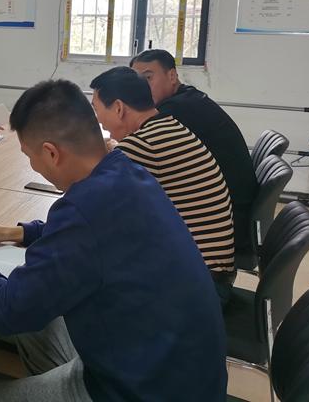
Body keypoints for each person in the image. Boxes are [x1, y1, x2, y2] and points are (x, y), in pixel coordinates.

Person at [0, 79, 227, 402]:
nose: (32, 165)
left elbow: (7, 310)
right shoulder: (126, 171)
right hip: (178, 371)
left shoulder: (84, 209)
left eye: (30, 156)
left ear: (51, 153)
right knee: (40, 322)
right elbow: (91, 236)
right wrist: (12, 232)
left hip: (140, 391)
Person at [90, 66, 236, 304]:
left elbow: (90, 203)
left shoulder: (142, 145)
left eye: (96, 110)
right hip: (210, 274)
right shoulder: (167, 127)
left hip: (198, 288)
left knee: (87, 276)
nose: (97, 120)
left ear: (118, 108)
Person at [131, 49, 259, 256]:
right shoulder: (188, 98)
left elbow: (138, 154)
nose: (140, 88)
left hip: (225, 224)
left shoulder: (175, 110)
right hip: (231, 213)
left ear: (172, 76)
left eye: (147, 78)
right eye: (135, 81)